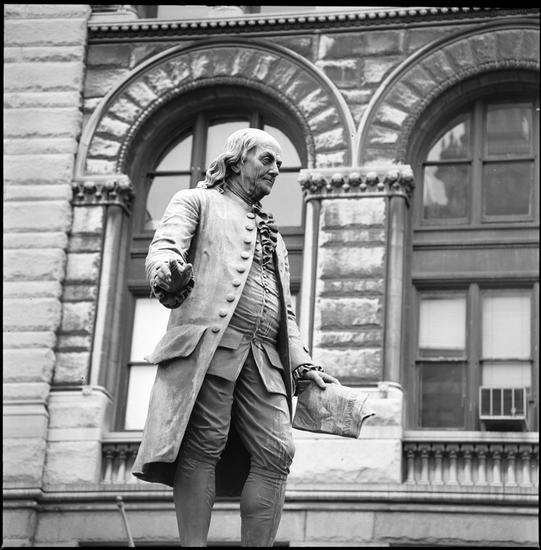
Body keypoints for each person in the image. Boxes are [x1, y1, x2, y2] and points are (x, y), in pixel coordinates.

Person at [132, 128, 339, 547]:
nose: (276, 170)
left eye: (280, 163)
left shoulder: (274, 237)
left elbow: (286, 312)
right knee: (204, 444)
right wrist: (168, 272)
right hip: (212, 347)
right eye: (267, 159)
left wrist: (302, 364)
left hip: (265, 360)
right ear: (237, 160)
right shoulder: (195, 201)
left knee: (279, 451)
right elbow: (165, 249)